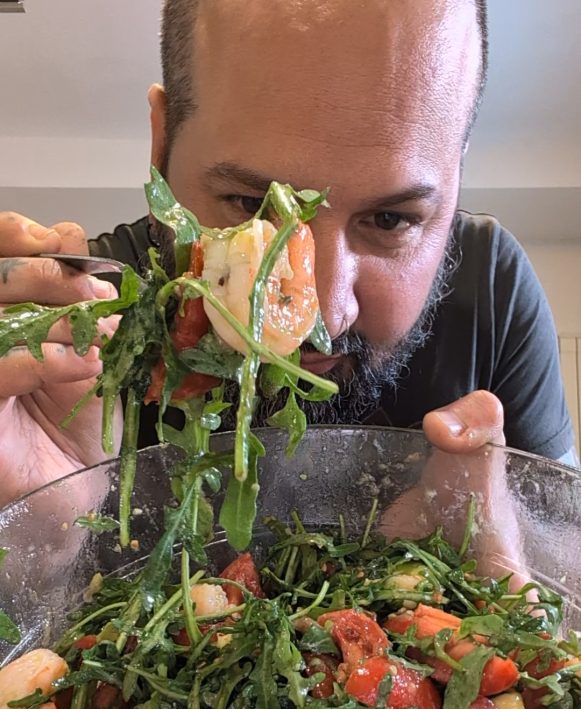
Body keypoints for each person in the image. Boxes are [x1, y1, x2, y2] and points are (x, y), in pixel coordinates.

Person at [0, 0, 576, 509]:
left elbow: (561, 550)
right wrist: (41, 538)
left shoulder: (494, 287)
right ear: (161, 148)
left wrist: (508, 555)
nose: (322, 315)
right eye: (253, 207)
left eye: (390, 220)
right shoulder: (67, 337)